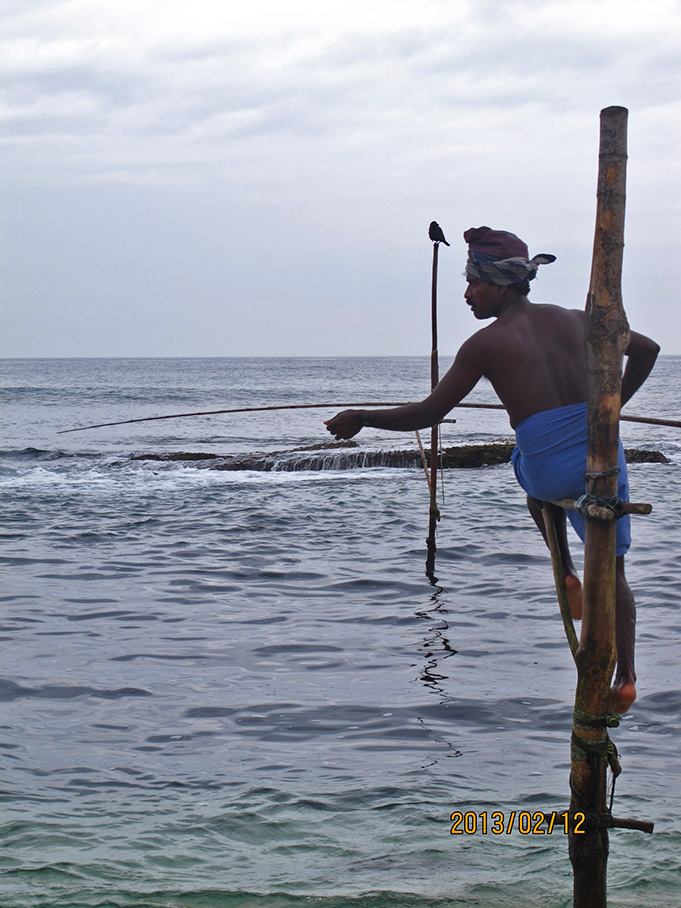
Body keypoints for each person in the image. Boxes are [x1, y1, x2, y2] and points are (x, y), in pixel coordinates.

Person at [325, 226, 660, 715]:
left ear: (500, 286)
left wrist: (365, 417)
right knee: (615, 570)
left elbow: (427, 414)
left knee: (527, 474)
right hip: (601, 457)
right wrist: (608, 412)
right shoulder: (579, 319)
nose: (466, 294)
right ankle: (627, 678)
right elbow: (648, 351)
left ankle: (564, 568)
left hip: (546, 468)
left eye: (473, 283)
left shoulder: (485, 344)